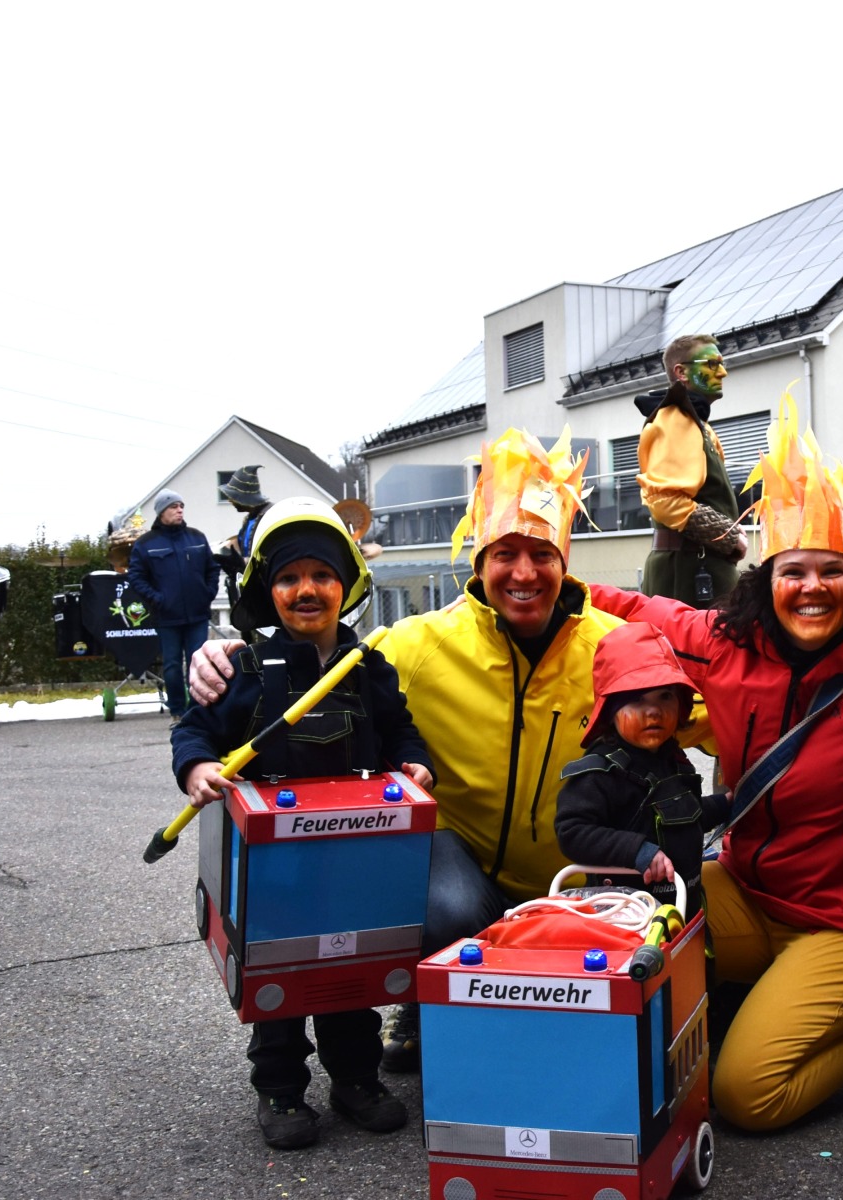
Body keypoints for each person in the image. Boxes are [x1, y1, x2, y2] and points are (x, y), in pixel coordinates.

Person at [189, 427, 638, 1077]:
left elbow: (701, 711)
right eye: (504, 553)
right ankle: (421, 1005)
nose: (523, 572)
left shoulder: (617, 648)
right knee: (403, 922)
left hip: (576, 879)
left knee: (562, 1056)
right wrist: (220, 655)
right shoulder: (417, 644)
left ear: (565, 559)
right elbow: (326, 666)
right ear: (479, 561)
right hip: (458, 879)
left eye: (542, 553)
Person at [588, 395, 843, 1133]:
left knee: (745, 1095)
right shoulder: (724, 643)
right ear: (766, 579)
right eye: (793, 570)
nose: (812, 587)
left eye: (832, 571)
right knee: (622, 922)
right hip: (746, 889)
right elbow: (627, 607)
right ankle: (762, 998)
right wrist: (537, 580)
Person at [171, 499, 432, 1149]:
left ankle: (357, 1081)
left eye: (322, 575)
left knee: (350, 978)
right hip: (276, 871)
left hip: (354, 861)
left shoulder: (367, 667)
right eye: (289, 578)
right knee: (278, 984)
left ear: (348, 585)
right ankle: (280, 1089)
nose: (306, 589)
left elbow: (401, 730)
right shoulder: (244, 668)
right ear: (267, 590)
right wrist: (197, 767)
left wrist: (415, 763)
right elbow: (194, 732)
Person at [556, 622, 728, 913]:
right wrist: (637, 850)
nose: (653, 710)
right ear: (610, 711)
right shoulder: (601, 772)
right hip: (626, 917)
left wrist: (726, 804)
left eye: (665, 696)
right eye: (636, 700)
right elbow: (571, 832)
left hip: (685, 910)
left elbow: (687, 816)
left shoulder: (675, 761)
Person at [636, 334, 746, 606]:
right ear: (681, 372)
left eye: (721, 363)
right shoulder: (676, 418)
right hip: (687, 573)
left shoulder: (694, 421)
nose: (722, 372)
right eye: (711, 364)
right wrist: (730, 536)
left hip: (698, 567)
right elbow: (666, 501)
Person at [128, 489, 219, 719]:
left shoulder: (196, 537)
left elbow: (212, 569)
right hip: (167, 616)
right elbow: (136, 577)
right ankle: (178, 712)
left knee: (199, 663)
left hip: (197, 614)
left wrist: (208, 593)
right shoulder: (146, 544)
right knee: (172, 665)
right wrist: (156, 599)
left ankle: (198, 711)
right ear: (161, 512)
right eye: (173, 507)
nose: (179, 510)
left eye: (181, 506)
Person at [213, 464, 273, 640]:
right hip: (247, 592)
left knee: (262, 640)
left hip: (264, 595)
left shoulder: (269, 516)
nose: (231, 502)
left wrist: (242, 563)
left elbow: (269, 556)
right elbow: (243, 545)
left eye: (233, 497)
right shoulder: (250, 518)